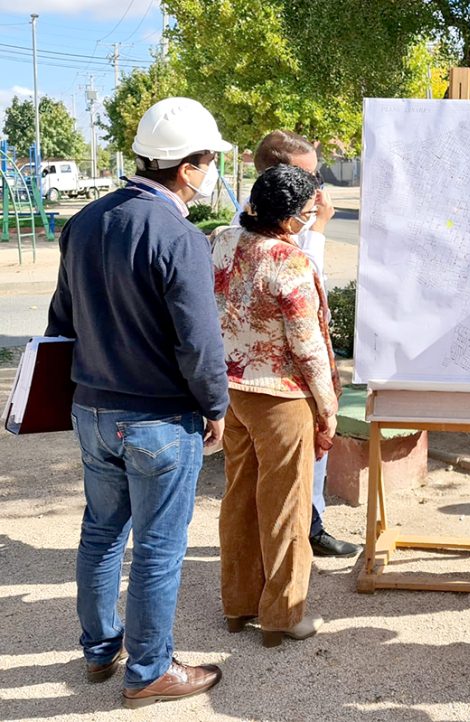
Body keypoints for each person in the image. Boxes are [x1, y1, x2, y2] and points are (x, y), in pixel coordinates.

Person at [46, 97, 231, 708]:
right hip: (157, 419)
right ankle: (149, 669)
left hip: (93, 410)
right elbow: (199, 341)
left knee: (100, 533)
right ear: (187, 167)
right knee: (158, 546)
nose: (208, 175)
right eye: (206, 163)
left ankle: (101, 651)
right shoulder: (178, 234)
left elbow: (61, 320)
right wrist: (216, 406)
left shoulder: (85, 220)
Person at [213, 164, 341, 646]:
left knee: (240, 496)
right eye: (309, 212)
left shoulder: (224, 241)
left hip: (231, 387)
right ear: (289, 220)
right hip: (282, 394)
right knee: (286, 505)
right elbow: (308, 347)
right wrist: (327, 408)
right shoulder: (291, 262)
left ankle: (238, 604)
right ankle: (283, 615)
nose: (313, 219)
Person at [232, 130, 361, 558]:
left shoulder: (233, 234)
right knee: (286, 484)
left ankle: (297, 535)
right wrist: (328, 405)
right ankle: (287, 583)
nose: (316, 188)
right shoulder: (275, 238)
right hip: (282, 380)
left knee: (259, 485)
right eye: (306, 176)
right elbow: (306, 293)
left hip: (244, 376)